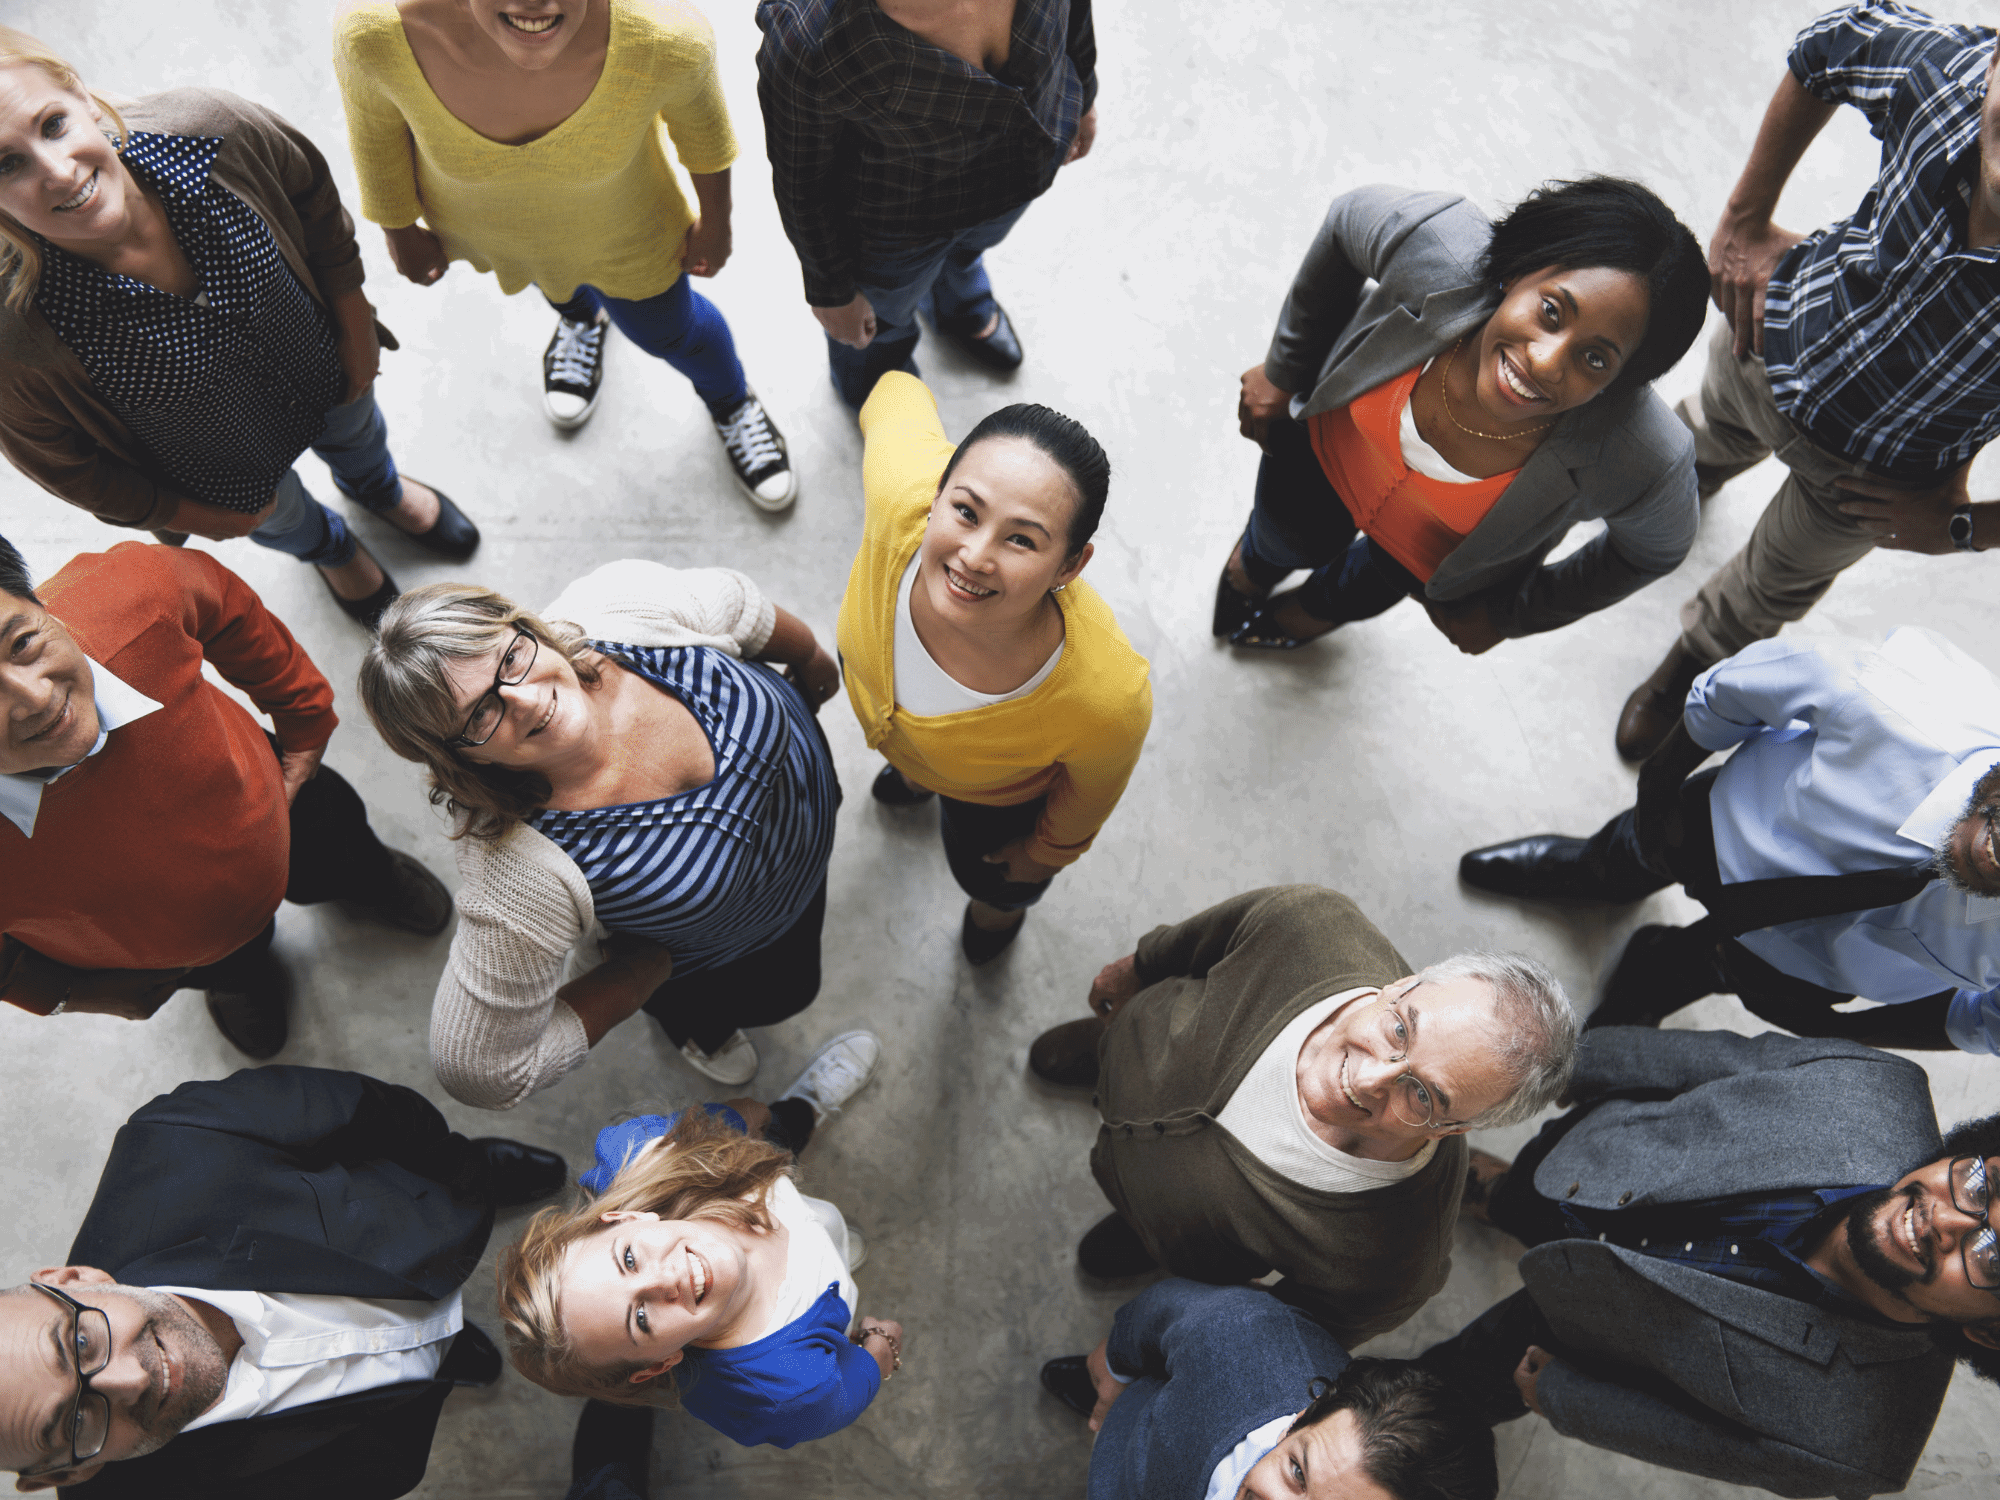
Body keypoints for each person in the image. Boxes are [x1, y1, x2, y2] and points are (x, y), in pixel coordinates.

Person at [1618, 2, 2000, 760]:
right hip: (1776, 334)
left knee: (1769, 585)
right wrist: (1743, 216)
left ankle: (1686, 665)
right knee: (1702, 434)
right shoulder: (1946, 74)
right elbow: (1831, 44)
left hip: (1877, 478)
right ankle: (1680, 491)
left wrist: (1966, 529)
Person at [0, 28, 477, 632]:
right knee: (288, 520)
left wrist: (355, 323)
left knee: (360, 439)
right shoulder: (16, 343)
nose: (59, 173)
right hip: (227, 472)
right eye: (7, 164)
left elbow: (310, 194)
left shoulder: (211, 130)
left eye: (52, 125)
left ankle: (376, 488)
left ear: (81, 97)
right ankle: (328, 547)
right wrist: (187, 512)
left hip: (325, 365)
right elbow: (67, 467)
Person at [1420, 1026, 2000, 1500]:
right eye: (1983, 1183)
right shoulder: (1877, 1086)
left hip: (1583, 1327)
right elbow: (1703, 1059)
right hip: (1592, 1162)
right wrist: (1568, 1064)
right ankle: (1497, 1198)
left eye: (1993, 1259)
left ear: (1986, 1331)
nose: (1945, 1220)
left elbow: (1691, 1438)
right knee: (1524, 1193)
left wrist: (1561, 1396)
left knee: (1441, 1398)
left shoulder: (1859, 1449)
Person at [359, 558, 843, 1103]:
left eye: (511, 659)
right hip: (739, 949)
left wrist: (810, 659)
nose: (524, 699)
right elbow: (481, 1070)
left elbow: (740, 604)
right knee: (782, 995)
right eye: (479, 716)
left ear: (524, 627)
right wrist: (641, 975)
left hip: (810, 846)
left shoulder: (622, 609)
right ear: (458, 758)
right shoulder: (518, 869)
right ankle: (694, 1028)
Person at [1027, 885, 1576, 1345]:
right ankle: (1103, 1055)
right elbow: (1194, 944)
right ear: (1406, 984)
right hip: (1133, 1041)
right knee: (1115, 1047)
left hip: (1165, 1230)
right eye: (1401, 1030)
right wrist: (1135, 975)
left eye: (1424, 1096)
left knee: (1157, 1229)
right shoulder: (1311, 925)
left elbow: (1280, 1336)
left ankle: (1139, 1230)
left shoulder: (1398, 1261)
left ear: (1456, 1129)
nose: (1365, 1081)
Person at [0, 1065, 568, 1498]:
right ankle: (444, 1355)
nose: (130, 1380)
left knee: (464, 1181)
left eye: (78, 1343)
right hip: (400, 1402)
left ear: (74, 1279)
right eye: (75, 1421)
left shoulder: (185, 1137)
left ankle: (484, 1178)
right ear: (68, 1472)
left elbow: (378, 1114)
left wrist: (457, 1172)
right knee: (430, 1365)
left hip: (433, 1214)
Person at [0, 534, 452, 1059]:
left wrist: (302, 712)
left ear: (41, 606)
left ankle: (367, 878)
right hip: (167, 946)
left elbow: (223, 603)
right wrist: (68, 995)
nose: (36, 697)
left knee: (341, 850)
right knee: (229, 960)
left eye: (20, 644)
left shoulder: (125, 595)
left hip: (283, 802)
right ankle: (240, 975)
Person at [334, 0, 796, 510]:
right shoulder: (374, 39)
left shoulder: (667, 42)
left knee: (671, 331)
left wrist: (717, 225)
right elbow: (375, 138)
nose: (535, 4)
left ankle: (732, 403)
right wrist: (398, 229)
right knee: (557, 288)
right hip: (502, 234)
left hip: (628, 236)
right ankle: (582, 321)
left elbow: (706, 141)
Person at [1217, 177, 1708, 654]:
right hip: (1322, 451)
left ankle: (1318, 609)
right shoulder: (1437, 244)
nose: (1545, 362)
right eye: (1552, 312)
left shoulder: (1641, 455)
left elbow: (1655, 549)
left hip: (1428, 559)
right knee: (1284, 536)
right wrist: (1286, 368)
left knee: (1360, 589)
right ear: (1521, 269)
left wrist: (1512, 615)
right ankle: (1255, 567)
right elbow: (1347, 221)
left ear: (1621, 381)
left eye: (1596, 359)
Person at [1462, 626, 2000, 1051]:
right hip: (1718, 830)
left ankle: (1653, 975)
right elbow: (1742, 689)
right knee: (1634, 850)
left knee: (1702, 970)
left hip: (1812, 973)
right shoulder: (1905, 700)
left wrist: (1845, 1032)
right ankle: (1595, 869)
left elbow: (1988, 1024)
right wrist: (1658, 789)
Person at [840, 374, 1151, 964]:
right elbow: (893, 391)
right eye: (965, 511)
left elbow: (1089, 794)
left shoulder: (1105, 696)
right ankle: (913, 778)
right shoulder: (897, 493)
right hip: (900, 733)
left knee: (993, 879)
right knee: (912, 757)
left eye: (1022, 541)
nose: (974, 556)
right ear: (936, 493)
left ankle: (995, 914)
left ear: (1071, 564)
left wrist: (1042, 855)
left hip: (992, 804)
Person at [496, 1048, 899, 1452]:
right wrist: (880, 1344)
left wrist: (751, 1123)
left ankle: (807, 1105)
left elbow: (742, 1116)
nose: (667, 1278)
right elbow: (854, 1381)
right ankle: (837, 1254)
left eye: (629, 1259)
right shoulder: (785, 1391)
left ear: (625, 1219)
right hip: (827, 1295)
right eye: (640, 1318)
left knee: (786, 1139)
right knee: (834, 1246)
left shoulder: (649, 1151)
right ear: (661, 1363)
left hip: (771, 1183)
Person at [754, 0, 1098, 410]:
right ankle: (878, 385)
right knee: (881, 329)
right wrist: (832, 291)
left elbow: (1074, 12)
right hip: (900, 225)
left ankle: (958, 303)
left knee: (970, 249)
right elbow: (803, 183)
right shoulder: (811, 38)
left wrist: (1085, 89)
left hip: (1016, 173)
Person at [1039, 1280, 1497, 1500]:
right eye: (1297, 1472)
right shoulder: (1239, 1334)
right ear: (1304, 1415)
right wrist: (1113, 1372)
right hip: (1128, 1440)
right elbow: (1157, 1314)